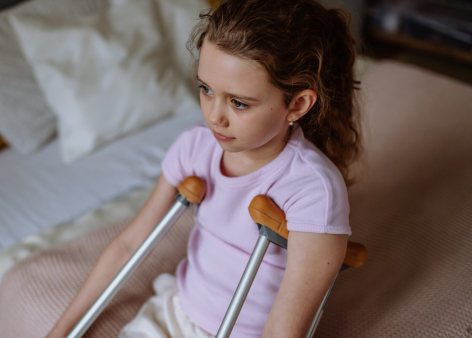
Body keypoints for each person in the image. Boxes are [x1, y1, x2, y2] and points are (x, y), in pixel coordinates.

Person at [47, 0, 361, 337]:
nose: (214, 116)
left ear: (296, 104)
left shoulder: (313, 190)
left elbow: (284, 330)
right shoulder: (195, 147)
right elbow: (130, 244)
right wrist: (61, 331)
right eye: (206, 89)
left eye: (239, 102)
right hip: (175, 314)